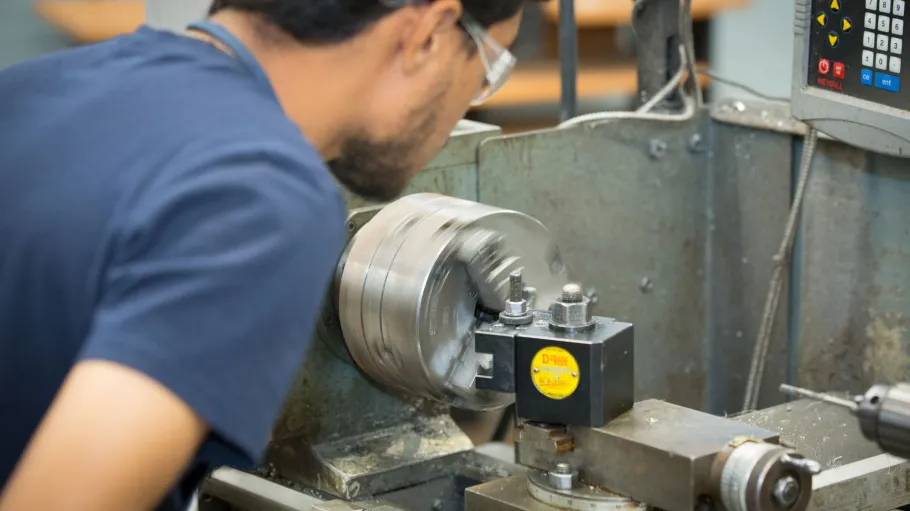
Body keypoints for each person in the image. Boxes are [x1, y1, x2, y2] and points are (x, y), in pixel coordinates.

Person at [0, 0, 535, 509]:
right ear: (429, 33)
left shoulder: (37, 87)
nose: (471, 99)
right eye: (488, 66)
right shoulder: (259, 195)